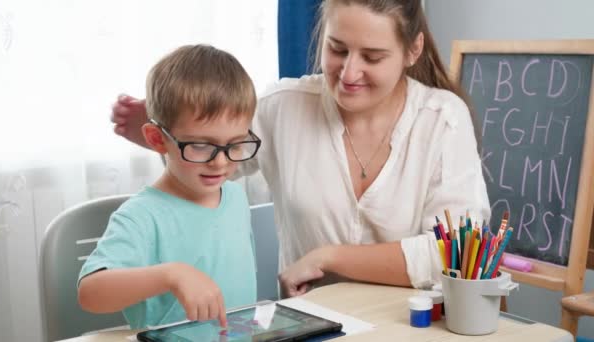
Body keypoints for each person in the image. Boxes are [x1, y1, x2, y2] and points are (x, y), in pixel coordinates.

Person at [111, 0, 490, 297]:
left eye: (372, 57)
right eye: (337, 49)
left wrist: (329, 256)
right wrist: (171, 128)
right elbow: (210, 157)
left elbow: (456, 254)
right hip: (312, 324)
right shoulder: (282, 107)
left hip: (415, 326)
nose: (349, 73)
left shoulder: (443, 120)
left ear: (413, 50)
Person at [78, 44, 262, 329]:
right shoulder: (142, 216)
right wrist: (171, 275)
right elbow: (90, 293)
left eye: (235, 144)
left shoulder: (235, 197)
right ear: (156, 139)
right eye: (201, 145)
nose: (221, 162)